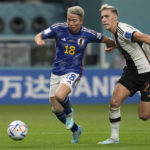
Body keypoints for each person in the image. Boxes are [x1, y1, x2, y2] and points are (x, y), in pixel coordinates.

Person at [34, 5, 115, 144]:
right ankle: (76, 130)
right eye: (69, 20)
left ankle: (70, 113)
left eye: (74, 20)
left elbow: (106, 39)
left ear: (81, 21)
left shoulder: (88, 33)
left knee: (60, 95)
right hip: (56, 71)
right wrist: (39, 40)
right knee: (55, 108)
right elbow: (39, 35)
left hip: (74, 70)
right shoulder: (58, 28)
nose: (71, 23)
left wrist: (110, 45)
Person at [98, 4, 150, 144]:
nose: (104, 20)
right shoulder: (115, 33)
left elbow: (143, 37)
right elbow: (126, 43)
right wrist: (113, 45)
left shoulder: (123, 30)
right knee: (114, 102)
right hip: (132, 72)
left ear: (115, 18)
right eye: (102, 17)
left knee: (144, 116)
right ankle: (114, 138)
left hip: (147, 73)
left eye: (107, 16)